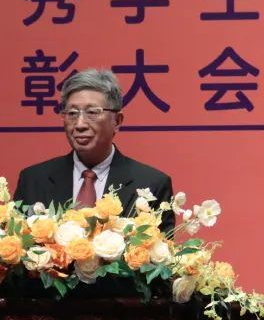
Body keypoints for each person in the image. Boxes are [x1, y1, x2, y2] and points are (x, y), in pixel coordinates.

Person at [13, 68, 173, 222]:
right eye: (72, 113)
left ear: (117, 121)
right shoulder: (33, 180)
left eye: (92, 112)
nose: (80, 124)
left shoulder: (151, 185)